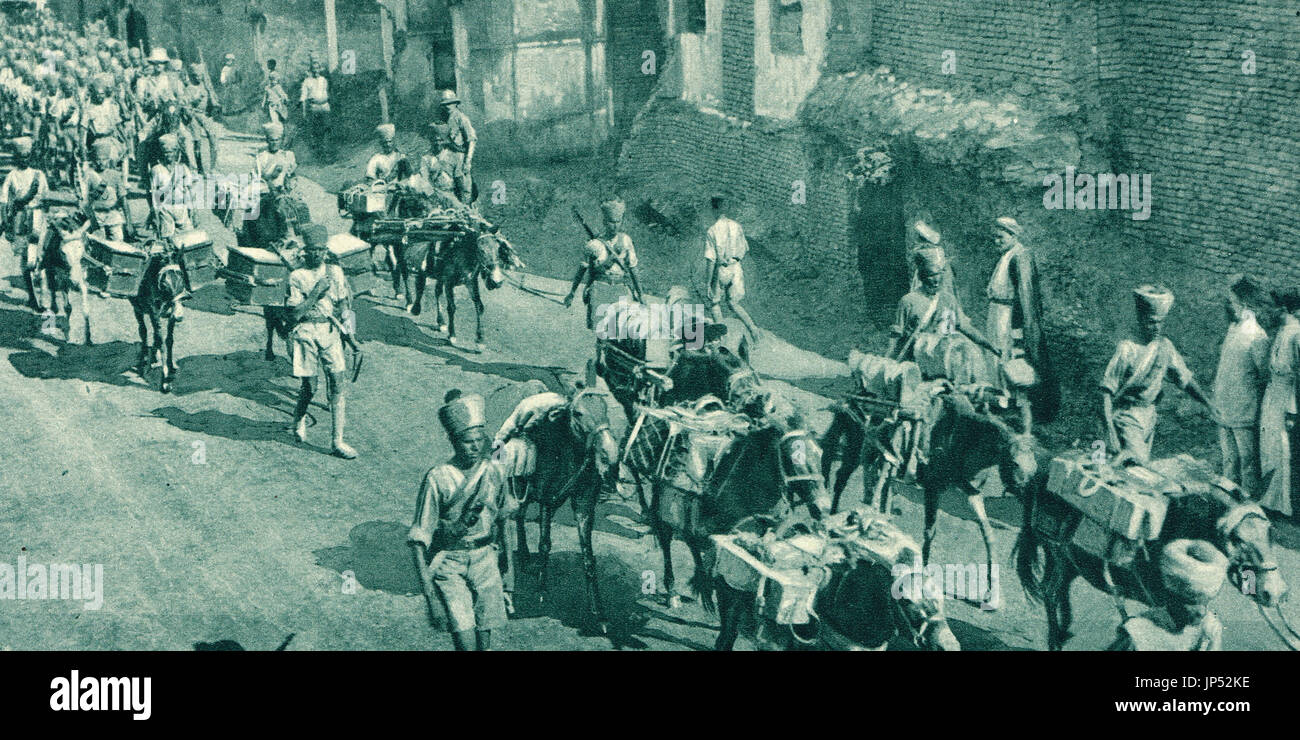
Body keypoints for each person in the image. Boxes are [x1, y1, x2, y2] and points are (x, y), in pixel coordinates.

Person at [408, 390, 517, 651]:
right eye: (468, 441)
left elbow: (504, 521)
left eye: (480, 440)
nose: (476, 447)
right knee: (465, 643)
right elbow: (417, 540)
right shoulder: (438, 478)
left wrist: (509, 570)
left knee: (484, 643)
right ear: (453, 440)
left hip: (486, 560)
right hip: (450, 564)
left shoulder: (493, 471)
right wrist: (430, 597)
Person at [1100, 285, 1217, 466]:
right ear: (1141, 319)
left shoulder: (1165, 347)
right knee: (1138, 464)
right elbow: (1106, 392)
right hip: (1127, 416)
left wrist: (1208, 403)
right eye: (1151, 322)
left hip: (1149, 416)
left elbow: (1185, 380)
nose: (1156, 327)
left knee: (1132, 471)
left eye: (1160, 322)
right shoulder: (1127, 349)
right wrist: (1109, 431)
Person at [287, 224, 357, 459]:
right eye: (313, 250)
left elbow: (343, 304)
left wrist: (350, 330)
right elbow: (295, 314)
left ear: (326, 251)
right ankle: (298, 420)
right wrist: (317, 291)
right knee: (310, 388)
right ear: (305, 251)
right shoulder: (296, 276)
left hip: (330, 331)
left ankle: (337, 441)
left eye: (321, 250)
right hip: (305, 332)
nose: (318, 254)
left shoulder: (335, 272)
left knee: (337, 384)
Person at [986, 216, 1057, 429]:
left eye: (1000, 237)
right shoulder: (1007, 256)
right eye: (994, 238)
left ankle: (1018, 411)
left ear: (1013, 235)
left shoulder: (1020, 257)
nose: (996, 242)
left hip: (1008, 319)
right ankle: (1004, 406)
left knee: (1010, 362)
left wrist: (1019, 332)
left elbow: (1025, 298)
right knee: (996, 362)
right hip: (998, 314)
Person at [1212, 275, 1270, 499]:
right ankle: (1227, 500)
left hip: (1244, 409)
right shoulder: (1233, 330)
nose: (1229, 306)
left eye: (1233, 302)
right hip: (1224, 406)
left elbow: (1263, 375)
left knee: (1247, 460)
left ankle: (1248, 502)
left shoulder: (1257, 336)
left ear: (1245, 304)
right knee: (1229, 459)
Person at [889, 246, 997, 363]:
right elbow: (896, 336)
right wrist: (889, 360)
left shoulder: (948, 300)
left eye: (939, 274)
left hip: (943, 359)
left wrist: (989, 345)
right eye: (931, 275)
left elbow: (964, 327)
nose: (936, 280)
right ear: (921, 277)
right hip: (916, 359)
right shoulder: (908, 301)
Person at [563, 197, 642, 330]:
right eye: (611, 222)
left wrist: (641, 294)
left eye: (618, 221)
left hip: (621, 288)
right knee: (602, 330)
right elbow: (582, 270)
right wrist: (572, 293)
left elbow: (633, 268)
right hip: (600, 288)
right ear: (605, 222)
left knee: (624, 330)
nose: (615, 225)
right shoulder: (594, 244)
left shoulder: (626, 241)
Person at [1260, 288, 1300, 517]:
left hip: (1287, 399)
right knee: (1269, 446)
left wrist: (1292, 411)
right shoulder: (1281, 332)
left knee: (1282, 449)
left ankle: (1283, 505)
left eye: (1271, 307)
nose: (1268, 312)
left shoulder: (1296, 334)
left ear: (1283, 310)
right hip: (1272, 396)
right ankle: (1270, 500)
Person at [0, 136, 50, 311]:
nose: (24, 159)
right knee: (26, 261)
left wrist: (46, 217)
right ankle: (32, 297)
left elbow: (46, 198)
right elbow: (4, 200)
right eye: (21, 156)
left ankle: (45, 299)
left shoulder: (39, 175)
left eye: (27, 155)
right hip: (20, 220)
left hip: (37, 217)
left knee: (40, 259)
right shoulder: (12, 176)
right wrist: (5, 221)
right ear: (16, 157)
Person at [704, 193, 760, 344]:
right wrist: (734, 259)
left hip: (721, 269)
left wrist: (708, 283)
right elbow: (744, 248)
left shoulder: (712, 230)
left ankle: (723, 338)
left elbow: (711, 259)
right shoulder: (737, 226)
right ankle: (753, 329)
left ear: (713, 209)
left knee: (714, 303)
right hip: (736, 267)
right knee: (734, 303)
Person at [80, 136, 129, 242]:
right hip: (96, 216)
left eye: (104, 159)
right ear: (93, 160)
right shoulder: (89, 175)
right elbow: (85, 201)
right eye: (98, 159)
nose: (101, 162)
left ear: (108, 160)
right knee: (98, 243)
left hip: (113, 214)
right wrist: (92, 221)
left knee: (118, 242)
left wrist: (129, 223)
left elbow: (123, 199)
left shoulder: (115, 175)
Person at [431, 89, 475, 203]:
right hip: (448, 155)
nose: (447, 106)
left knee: (463, 185)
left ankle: (466, 209)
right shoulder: (444, 119)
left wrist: (468, 160)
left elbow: (471, 139)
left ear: (455, 103)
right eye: (445, 104)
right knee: (446, 183)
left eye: (450, 103)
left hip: (460, 154)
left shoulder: (461, 118)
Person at [299, 59, 332, 160]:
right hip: (314, 108)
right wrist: (304, 112)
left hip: (325, 106)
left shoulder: (324, 80)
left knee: (327, 129)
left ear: (320, 69)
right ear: (311, 70)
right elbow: (303, 98)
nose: (316, 71)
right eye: (314, 69)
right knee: (317, 131)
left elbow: (327, 92)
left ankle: (327, 153)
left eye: (317, 68)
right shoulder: (307, 81)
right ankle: (319, 154)